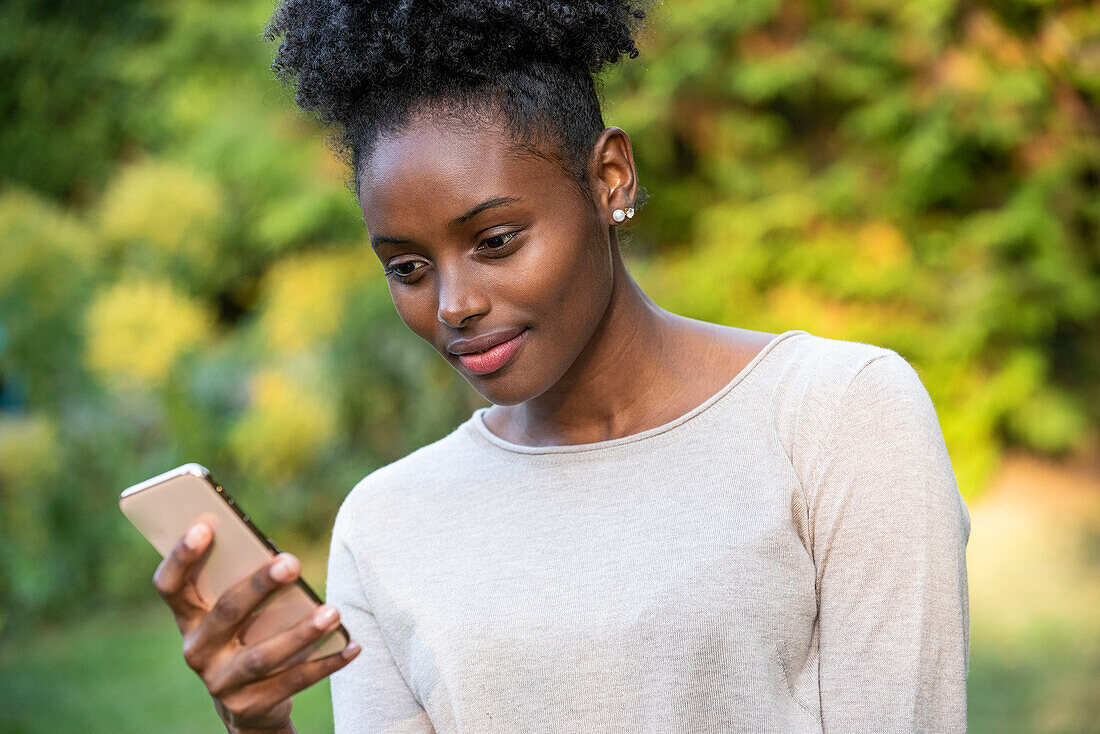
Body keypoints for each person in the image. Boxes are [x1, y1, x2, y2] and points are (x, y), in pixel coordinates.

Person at [152, 1, 972, 732]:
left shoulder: (837, 417)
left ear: (609, 177)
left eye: (495, 241)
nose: (453, 304)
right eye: (408, 267)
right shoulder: (387, 523)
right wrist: (258, 730)